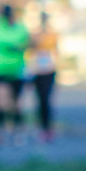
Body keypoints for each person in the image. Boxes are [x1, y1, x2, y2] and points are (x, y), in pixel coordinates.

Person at [0, 4, 31, 146]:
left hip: (17, 70)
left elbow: (25, 43)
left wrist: (14, 46)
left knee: (17, 104)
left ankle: (18, 131)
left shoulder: (21, 28)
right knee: (0, 103)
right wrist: (14, 46)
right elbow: (1, 42)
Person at [30, 12, 58, 142]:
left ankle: (48, 128)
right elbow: (31, 50)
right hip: (37, 70)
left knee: (47, 100)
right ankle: (41, 127)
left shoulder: (53, 35)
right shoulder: (35, 35)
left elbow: (56, 53)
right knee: (39, 100)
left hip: (49, 70)